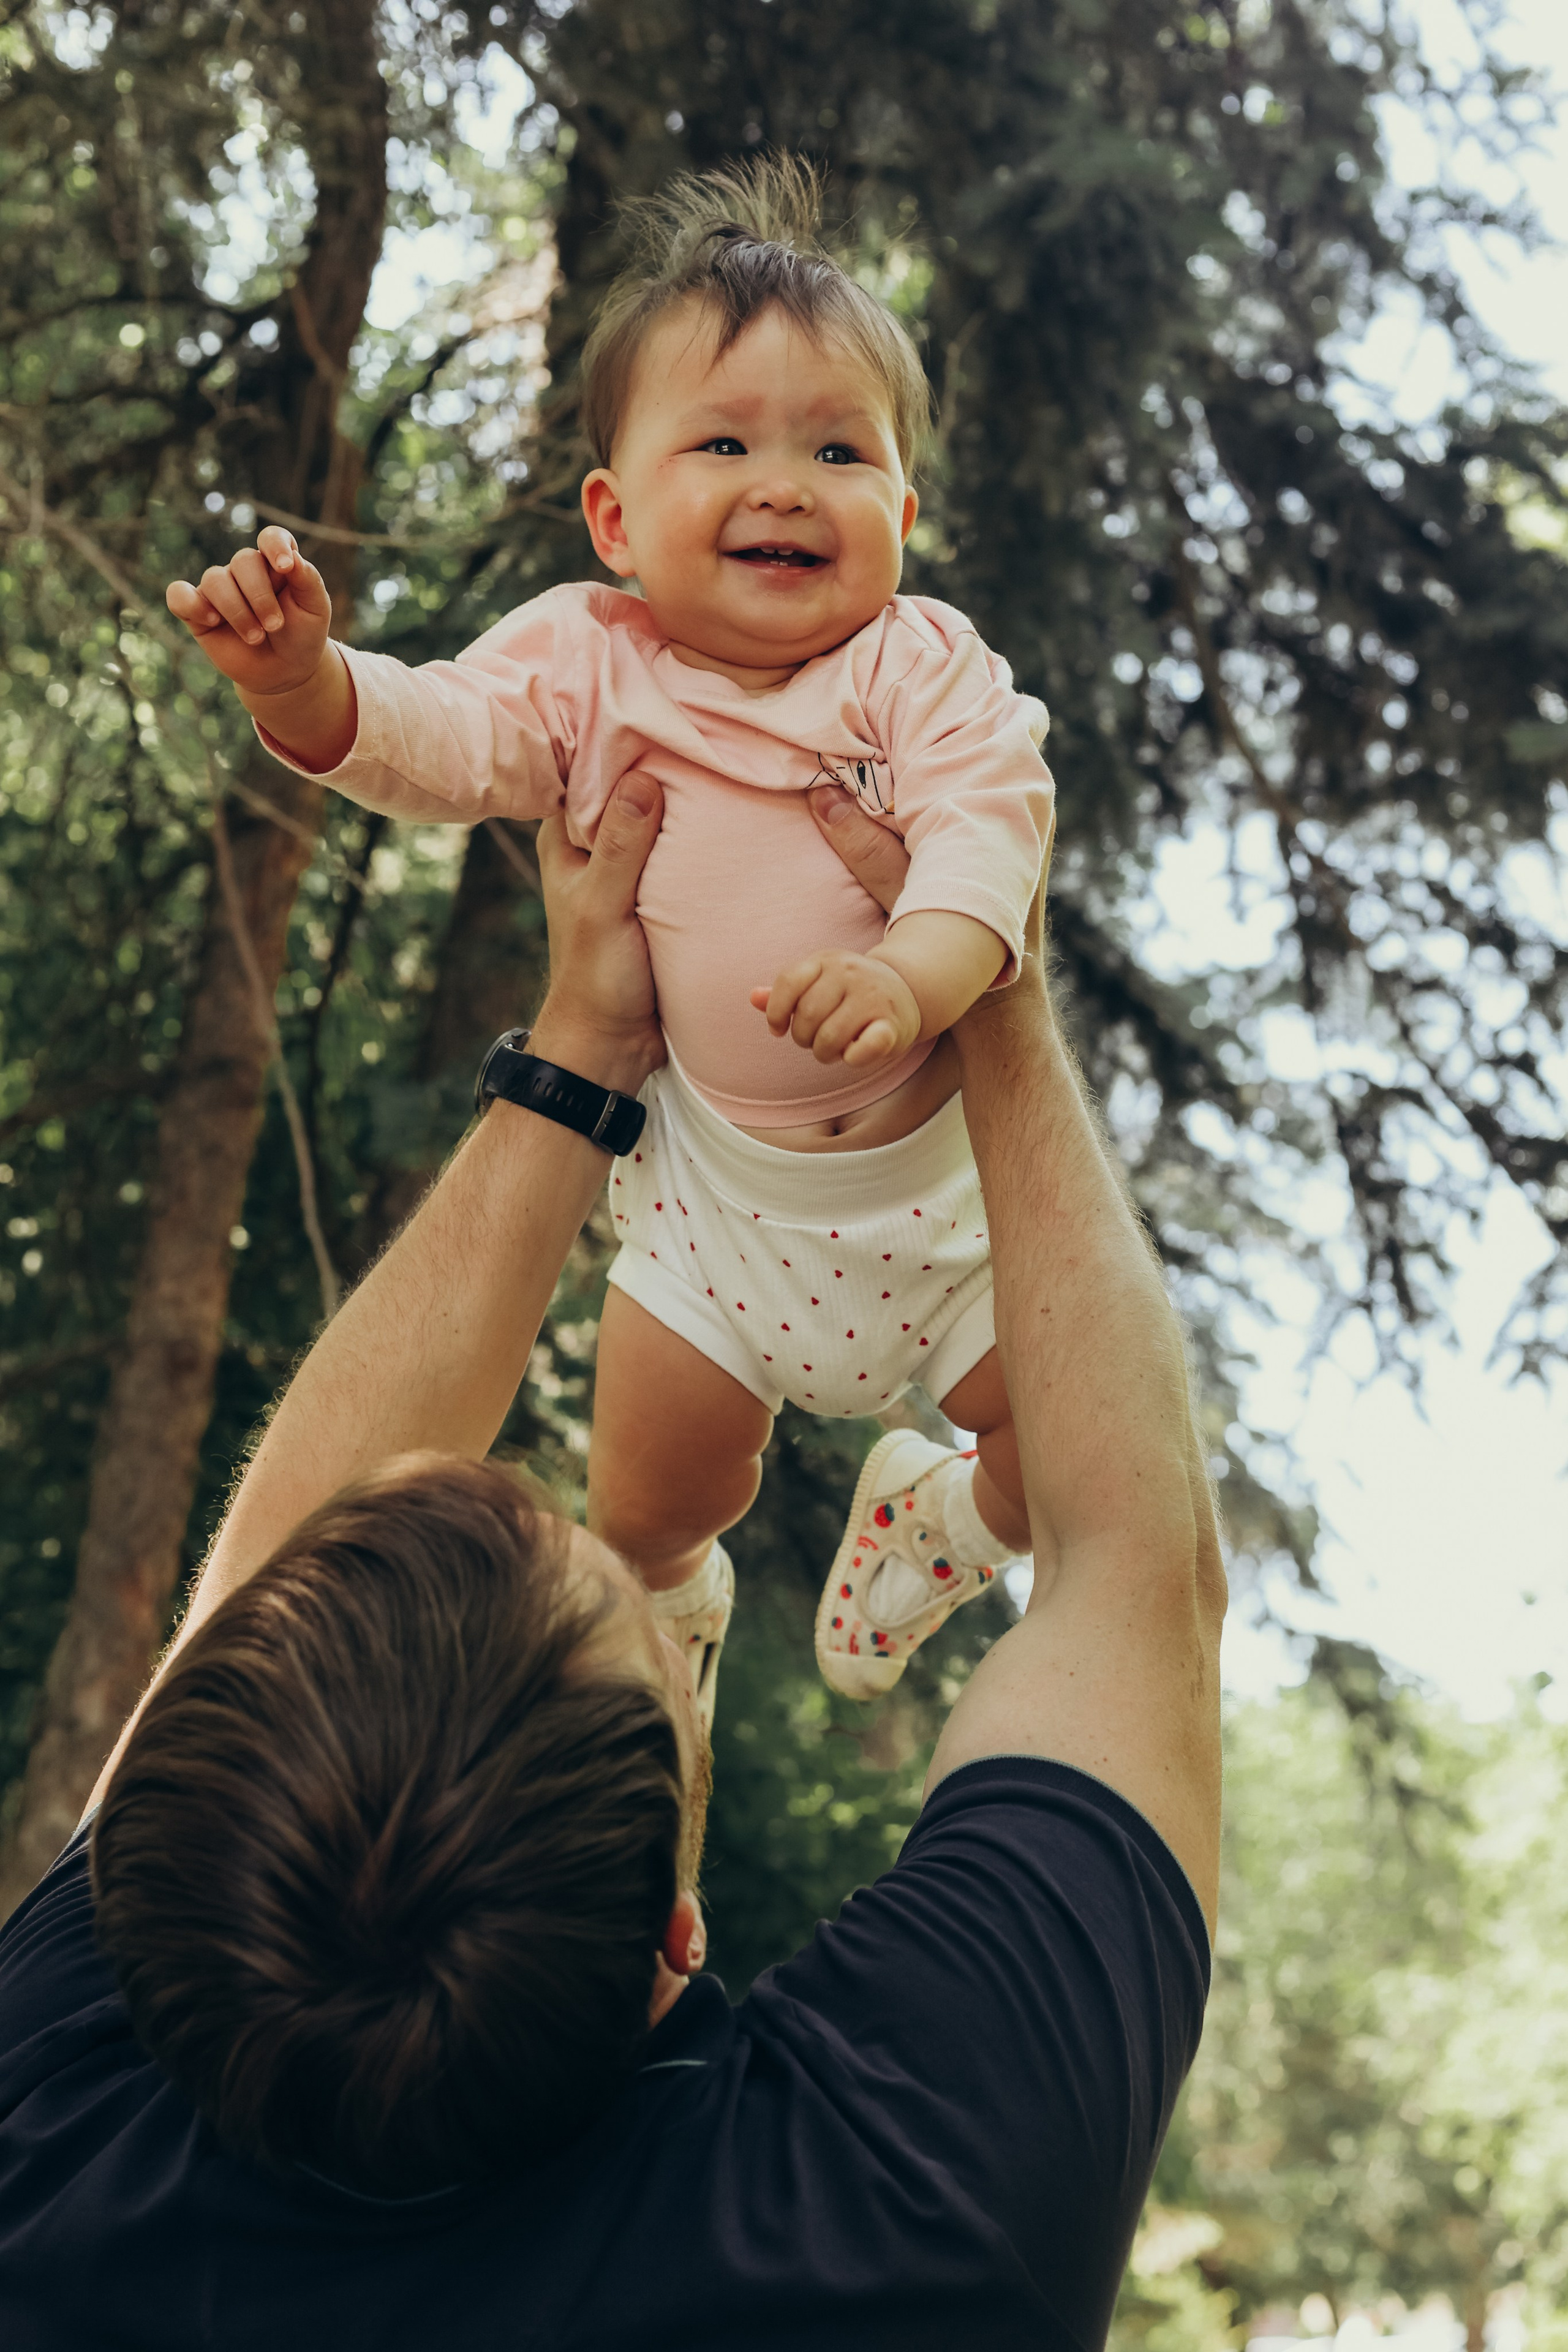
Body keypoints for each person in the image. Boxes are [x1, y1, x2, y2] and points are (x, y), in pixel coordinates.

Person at [0, 771, 1224, 2351]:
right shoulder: (907, 2209)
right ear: (676, 1938)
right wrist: (990, 972)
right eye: (629, 1601)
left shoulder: (49, 2162)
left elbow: (260, 1580)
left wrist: (589, 1033)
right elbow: (1137, 1565)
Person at [164, 157, 1057, 1717]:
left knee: (1067, 1457)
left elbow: (991, 826)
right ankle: (674, 1612)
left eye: (838, 452)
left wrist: (911, 972)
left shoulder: (918, 667)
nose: (783, 483)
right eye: (722, 441)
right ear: (615, 516)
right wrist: (300, 685)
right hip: (719, 1217)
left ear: (902, 514)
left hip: (938, 1208)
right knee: (642, 1510)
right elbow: (439, 740)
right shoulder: (590, 664)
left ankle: (944, 1521)